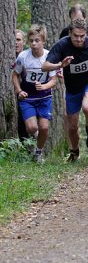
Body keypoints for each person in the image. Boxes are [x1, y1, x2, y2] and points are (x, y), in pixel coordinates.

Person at [43, 18, 88, 163]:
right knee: (72, 126)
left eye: (82, 36)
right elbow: (44, 66)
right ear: (70, 33)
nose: (79, 39)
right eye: (76, 36)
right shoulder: (62, 45)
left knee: (87, 107)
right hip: (72, 88)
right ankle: (74, 152)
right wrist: (60, 65)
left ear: (86, 34)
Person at [12, 25, 57, 162]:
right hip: (28, 97)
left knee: (44, 127)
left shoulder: (50, 57)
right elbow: (15, 75)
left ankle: (38, 152)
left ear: (43, 41)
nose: (34, 43)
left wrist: (43, 86)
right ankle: (37, 144)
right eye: (31, 40)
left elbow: (54, 80)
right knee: (32, 127)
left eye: (37, 40)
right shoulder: (23, 56)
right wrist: (19, 91)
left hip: (44, 97)